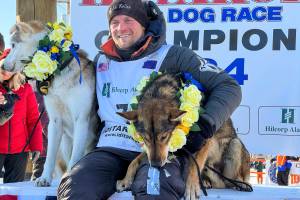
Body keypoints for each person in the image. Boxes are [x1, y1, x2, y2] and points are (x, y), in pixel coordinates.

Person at [57, 0, 242, 199]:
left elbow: (229, 87)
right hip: (110, 150)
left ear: (145, 24)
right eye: (115, 22)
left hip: (157, 152)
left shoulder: (173, 55)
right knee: (75, 186)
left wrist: (205, 125)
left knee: (154, 189)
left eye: (128, 20)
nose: (121, 27)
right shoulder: (100, 61)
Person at [0, 51, 43, 184]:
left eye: (11, 68)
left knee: (14, 191)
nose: (6, 71)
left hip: (20, 150)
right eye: (3, 66)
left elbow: (33, 119)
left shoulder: (26, 89)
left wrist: (36, 146)